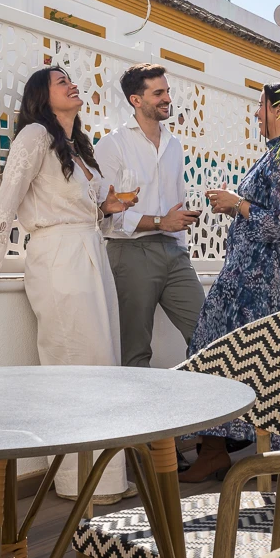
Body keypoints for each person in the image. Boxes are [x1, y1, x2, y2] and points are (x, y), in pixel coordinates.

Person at [0, 65, 139, 505]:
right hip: (58, 260)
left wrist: (107, 207)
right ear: (42, 95)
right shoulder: (35, 136)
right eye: (61, 82)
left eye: (71, 79)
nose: (72, 84)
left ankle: (106, 480)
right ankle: (78, 482)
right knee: (74, 365)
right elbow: (8, 197)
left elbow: (81, 210)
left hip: (90, 255)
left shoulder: (77, 148)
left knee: (101, 364)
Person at [177, 83, 280, 483]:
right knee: (220, 354)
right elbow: (265, 214)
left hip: (254, 280)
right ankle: (214, 450)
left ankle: (258, 457)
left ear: (278, 110)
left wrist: (237, 203)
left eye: (261, 106)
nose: (257, 113)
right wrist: (235, 207)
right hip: (242, 273)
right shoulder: (275, 154)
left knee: (244, 358)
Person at [94, 63, 204, 369]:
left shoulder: (174, 145)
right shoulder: (112, 145)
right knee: (134, 350)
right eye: (158, 93)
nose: (167, 98)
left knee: (209, 333)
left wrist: (178, 236)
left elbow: (176, 202)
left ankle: (208, 397)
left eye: (167, 91)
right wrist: (158, 222)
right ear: (136, 100)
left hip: (174, 252)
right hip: (130, 252)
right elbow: (104, 212)